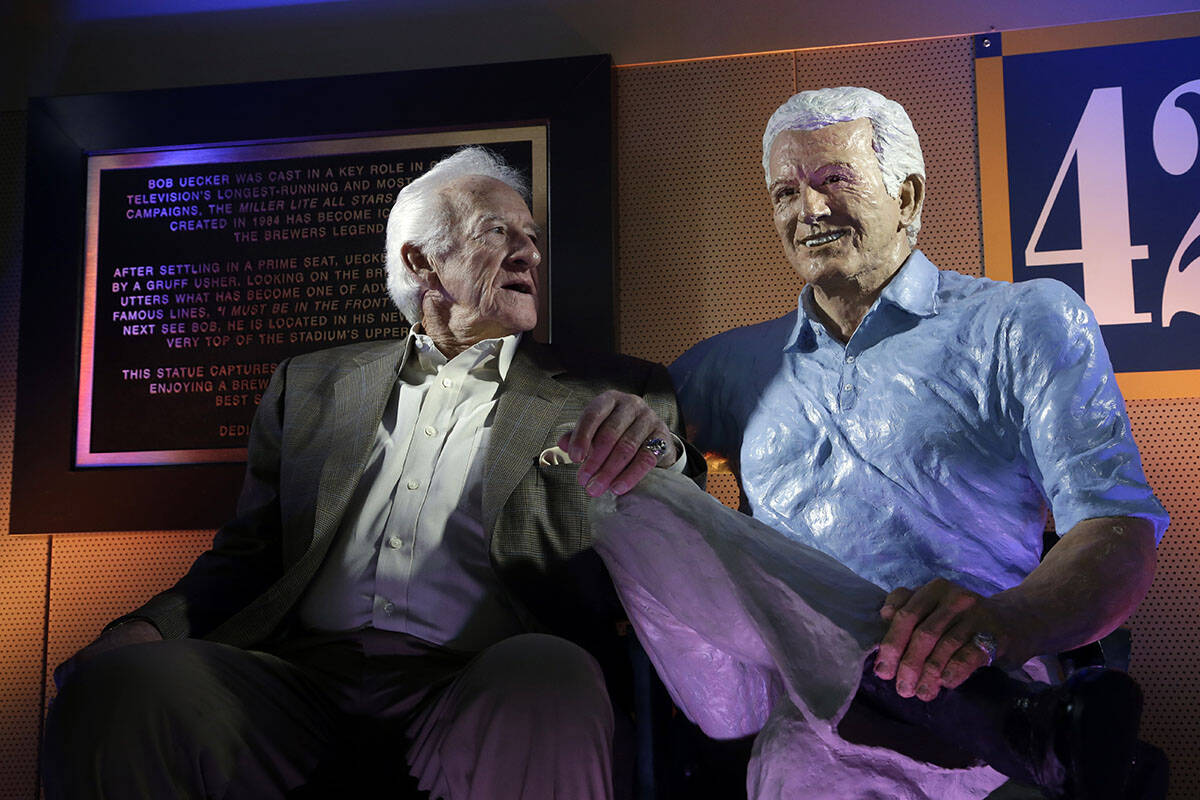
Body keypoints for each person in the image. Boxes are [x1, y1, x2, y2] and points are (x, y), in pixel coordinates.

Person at [43, 147, 700, 800]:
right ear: (421, 260)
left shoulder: (614, 387)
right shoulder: (309, 383)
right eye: (498, 231)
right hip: (298, 684)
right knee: (123, 682)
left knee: (550, 673)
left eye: (531, 236)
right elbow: (248, 557)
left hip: (489, 672)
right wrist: (146, 629)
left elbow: (678, 533)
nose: (529, 252)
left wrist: (662, 454)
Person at [618, 87, 1167, 799]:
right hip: (798, 716)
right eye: (785, 193)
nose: (807, 212)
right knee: (620, 490)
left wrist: (998, 622)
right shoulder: (728, 369)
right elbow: (643, 485)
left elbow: (1117, 527)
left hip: (976, 687)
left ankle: (1002, 714)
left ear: (907, 195)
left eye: (833, 181)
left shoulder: (1023, 321)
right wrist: (632, 442)